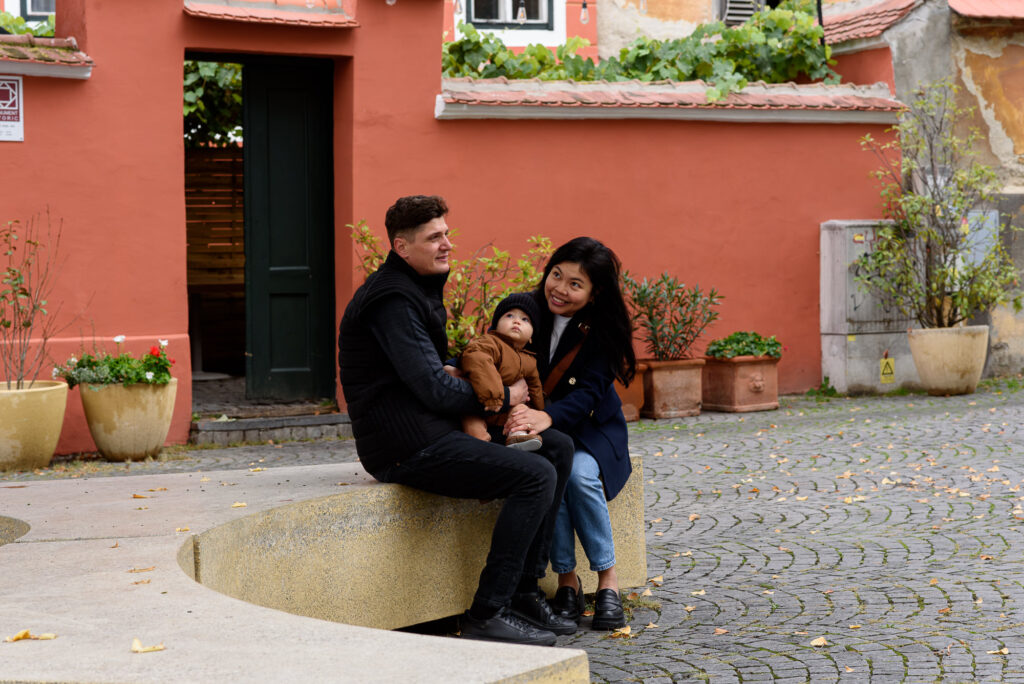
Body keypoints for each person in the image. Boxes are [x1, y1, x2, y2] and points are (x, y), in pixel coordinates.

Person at [338, 195, 577, 646]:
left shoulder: (416, 288)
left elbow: (433, 370)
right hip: (404, 446)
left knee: (558, 447)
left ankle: (525, 591)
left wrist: (467, 375)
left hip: (431, 427)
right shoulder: (392, 299)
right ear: (402, 247)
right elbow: (432, 388)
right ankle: (488, 613)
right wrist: (505, 396)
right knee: (535, 475)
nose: (447, 244)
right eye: (434, 238)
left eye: (446, 233)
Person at [503, 237, 637, 631]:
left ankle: (608, 581)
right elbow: (492, 346)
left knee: (578, 475)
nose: (560, 289)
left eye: (575, 284)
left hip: (591, 428)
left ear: (594, 294)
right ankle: (566, 581)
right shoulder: (527, 310)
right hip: (540, 428)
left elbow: (589, 393)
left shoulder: (603, 329)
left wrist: (548, 416)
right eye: (556, 275)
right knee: (552, 475)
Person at [460, 292, 544, 451]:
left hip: (505, 412)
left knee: (521, 411)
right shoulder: (490, 343)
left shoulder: (529, 360)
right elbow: (477, 359)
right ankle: (479, 444)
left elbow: (535, 387)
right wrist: (493, 396)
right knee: (471, 421)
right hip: (482, 402)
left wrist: (538, 410)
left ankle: (517, 435)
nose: (517, 321)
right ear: (496, 325)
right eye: (509, 315)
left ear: (531, 336)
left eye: (525, 319)